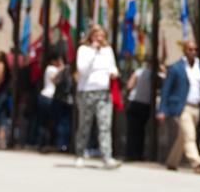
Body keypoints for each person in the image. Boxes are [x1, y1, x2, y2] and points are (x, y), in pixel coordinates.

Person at [157, 39, 200, 174]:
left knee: (183, 137)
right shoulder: (176, 68)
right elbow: (166, 90)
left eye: (195, 50)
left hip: (196, 107)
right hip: (182, 107)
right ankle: (197, 163)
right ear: (184, 51)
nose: (193, 52)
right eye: (190, 49)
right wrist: (162, 109)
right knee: (190, 135)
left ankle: (172, 161)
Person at [74, 24, 120, 169]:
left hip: (104, 92)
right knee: (84, 125)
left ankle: (107, 156)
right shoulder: (84, 50)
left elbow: (112, 66)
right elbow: (82, 69)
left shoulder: (107, 51)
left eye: (102, 36)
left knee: (105, 125)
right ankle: (80, 153)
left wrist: (114, 72)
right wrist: (93, 51)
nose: (100, 39)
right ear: (91, 36)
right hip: (87, 91)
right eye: (97, 35)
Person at [124, 58, 153, 161]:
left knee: (132, 131)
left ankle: (130, 153)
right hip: (145, 104)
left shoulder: (139, 71)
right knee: (141, 131)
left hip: (135, 102)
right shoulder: (153, 74)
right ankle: (138, 154)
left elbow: (129, 85)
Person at [36, 53, 65, 151]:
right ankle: (47, 144)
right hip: (49, 97)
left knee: (43, 122)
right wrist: (62, 68)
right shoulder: (52, 68)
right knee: (50, 122)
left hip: (44, 96)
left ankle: (42, 143)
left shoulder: (48, 69)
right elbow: (54, 79)